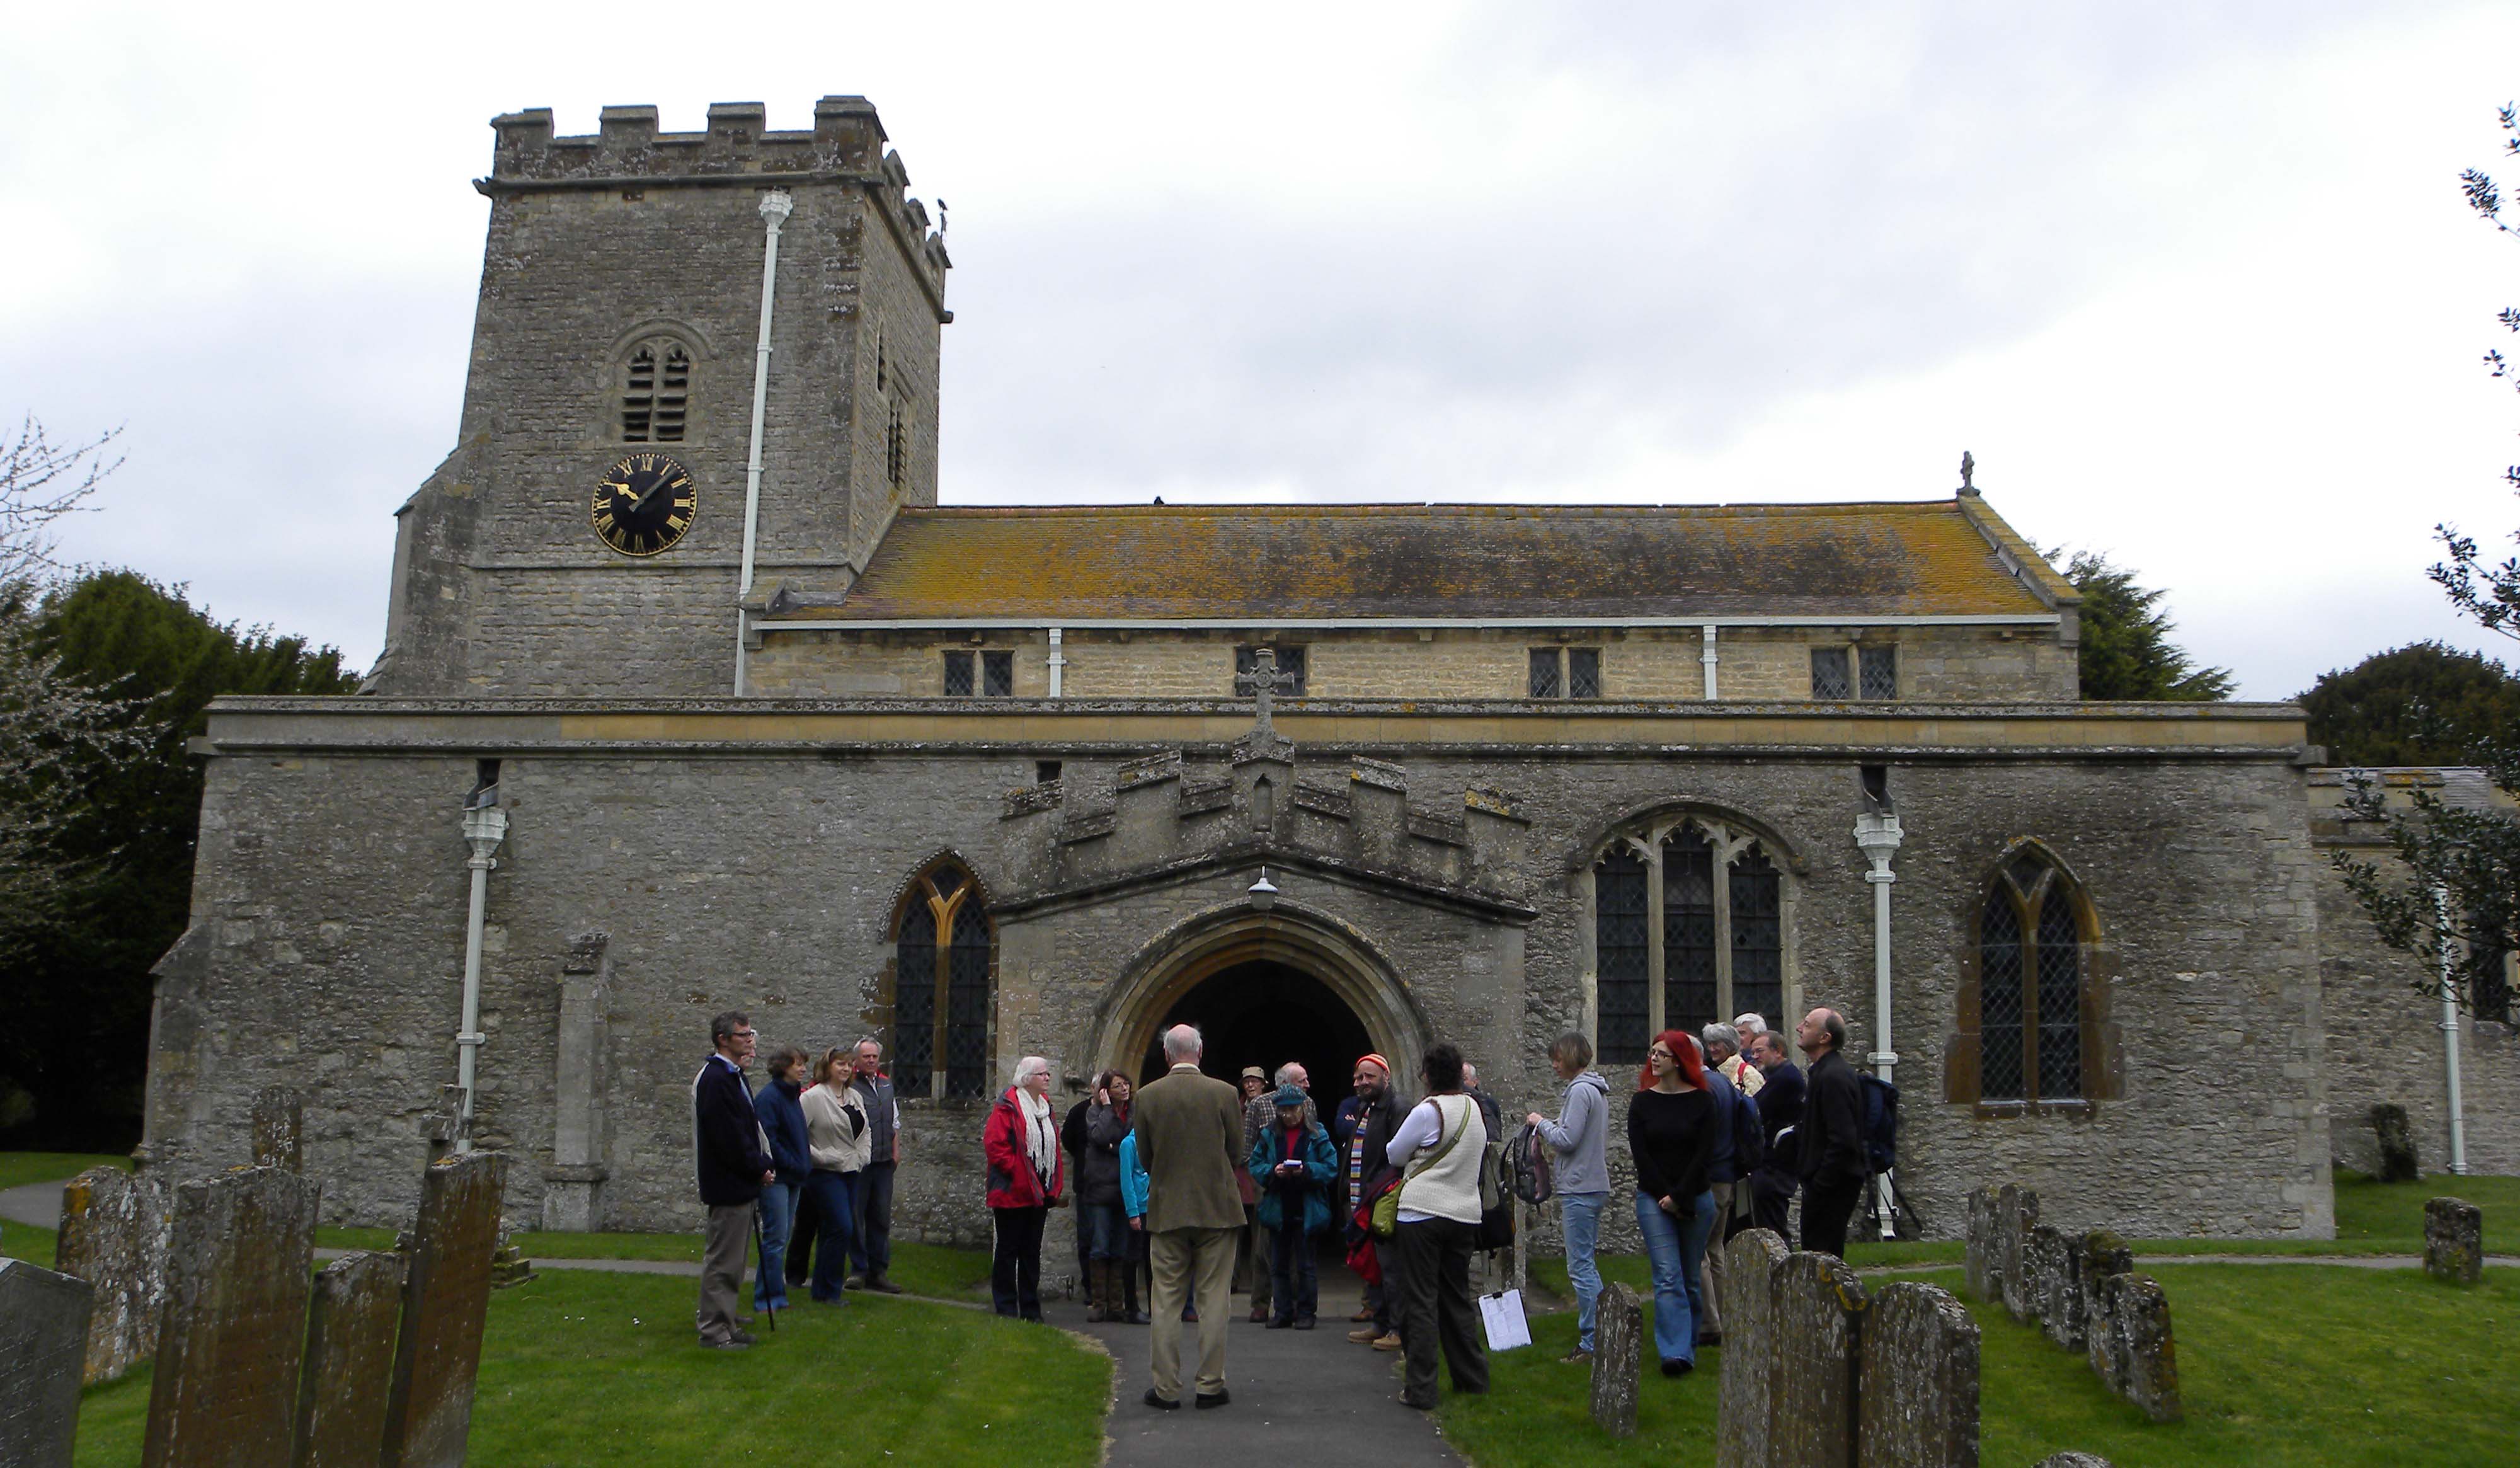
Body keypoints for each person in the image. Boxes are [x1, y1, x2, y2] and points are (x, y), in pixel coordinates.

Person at [1133, 1024, 1246, 1410]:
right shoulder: (1225, 1093)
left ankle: (1165, 1390)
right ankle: (1210, 1386)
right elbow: (1236, 1150)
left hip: (1167, 1208)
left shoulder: (1147, 1096)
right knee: (1214, 1299)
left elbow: (1144, 1156)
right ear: (1200, 1051)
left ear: (1167, 1055)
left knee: (1165, 1299)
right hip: (1217, 1207)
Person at [1385, 1041, 1489, 1411]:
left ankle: (1421, 1389)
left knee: (1421, 1302)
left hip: (1422, 1213)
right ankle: (1472, 1379)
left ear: (1427, 1075)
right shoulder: (1474, 1109)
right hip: (1463, 1214)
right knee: (1457, 1299)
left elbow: (1394, 1153)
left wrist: (1419, 1156)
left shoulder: (1428, 1111)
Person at [1629, 1029, 1717, 1376]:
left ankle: (1687, 1343)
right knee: (1667, 1275)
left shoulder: (1702, 1101)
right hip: (1653, 1197)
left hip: (1695, 1196)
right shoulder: (1643, 1102)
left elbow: (1703, 1154)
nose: (1654, 1059)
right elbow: (1643, 1156)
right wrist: (1665, 1196)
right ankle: (1674, 1354)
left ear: (1679, 1060)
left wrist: (1681, 1197)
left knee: (1690, 1276)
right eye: (1652, 1052)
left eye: (1661, 1054)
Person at [691, 1010, 774, 1350]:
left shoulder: (734, 1076)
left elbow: (746, 1130)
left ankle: (726, 1319)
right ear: (723, 1039)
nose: (750, 1039)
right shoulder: (716, 1079)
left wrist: (758, 1164)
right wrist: (758, 1166)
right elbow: (730, 1138)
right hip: (728, 1182)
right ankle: (713, 1330)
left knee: (736, 1261)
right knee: (723, 1261)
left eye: (751, 1033)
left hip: (739, 1181)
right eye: (743, 1034)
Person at [1526, 1031, 1610, 1364]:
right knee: (1586, 1263)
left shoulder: (1580, 1092)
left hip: (1581, 1186)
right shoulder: (1596, 1090)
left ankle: (1593, 1341)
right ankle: (1606, 1328)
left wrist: (1540, 1123)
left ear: (1571, 1056)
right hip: (1592, 1184)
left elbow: (1567, 1139)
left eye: (1558, 1059)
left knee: (1580, 1267)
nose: (1554, 1065)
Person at [1248, 1082, 1338, 1329]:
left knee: (1306, 1265)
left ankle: (1307, 1312)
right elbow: (1255, 1164)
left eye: (1293, 1110)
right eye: (1284, 1111)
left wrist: (1307, 1170)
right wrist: (1272, 1171)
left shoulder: (1317, 1134)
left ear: (1303, 1109)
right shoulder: (1269, 1135)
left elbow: (1331, 1166)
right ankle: (1283, 1311)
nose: (1288, 1115)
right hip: (1278, 1206)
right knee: (1278, 1264)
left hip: (1306, 1205)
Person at [982, 1055, 1065, 1321]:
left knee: (1031, 1251)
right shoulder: (1008, 1106)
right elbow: (995, 1145)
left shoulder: (1045, 1106)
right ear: (1028, 1078)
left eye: (1047, 1074)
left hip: (1037, 1191)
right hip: (1011, 1191)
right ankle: (1006, 1305)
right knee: (1008, 1249)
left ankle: (1030, 1307)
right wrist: (1016, 1172)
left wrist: (1050, 1182)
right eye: (1042, 1074)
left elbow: (1052, 1146)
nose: (1047, 1078)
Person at [1239, 1062, 1318, 1319]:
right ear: (1285, 1084)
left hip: (1300, 1183)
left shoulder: (1308, 1104)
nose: (1307, 1085)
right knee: (1264, 1244)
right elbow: (1246, 1147)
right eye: (1302, 1080)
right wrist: (1264, 1174)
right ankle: (1261, 1303)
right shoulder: (1261, 1105)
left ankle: (1294, 1303)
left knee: (1298, 1244)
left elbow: (1315, 1138)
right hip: (1268, 1184)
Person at [1795, 1007, 1868, 1258]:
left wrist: (1819, 1184)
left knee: (1822, 1257)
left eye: (1807, 1024)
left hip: (1833, 1186)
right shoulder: (1824, 1072)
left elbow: (1843, 1140)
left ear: (1825, 1037)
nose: (1799, 1028)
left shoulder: (1833, 1076)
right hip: (1826, 1182)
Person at [1344, 1053, 1406, 1350]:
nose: (1362, 1082)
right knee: (1374, 1269)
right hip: (1363, 1201)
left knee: (1391, 1268)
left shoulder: (1397, 1107)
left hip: (1383, 1200)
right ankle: (1380, 1324)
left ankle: (1397, 1329)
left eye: (1369, 1076)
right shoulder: (1364, 1108)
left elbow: (1399, 1158)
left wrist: (1380, 1191)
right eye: (1358, 1078)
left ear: (1386, 1076)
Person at [800, 1047, 870, 1304]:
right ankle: (830, 1288)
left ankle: (824, 1290)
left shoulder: (854, 1096)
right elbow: (796, 1136)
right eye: (840, 1064)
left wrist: (864, 1156)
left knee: (834, 1230)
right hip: (824, 1173)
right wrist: (823, 1156)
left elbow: (865, 1130)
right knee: (842, 1226)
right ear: (827, 1066)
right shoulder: (813, 1098)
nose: (846, 1069)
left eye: (849, 1065)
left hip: (852, 1171)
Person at [750, 1044, 811, 1315]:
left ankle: (776, 1293)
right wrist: (791, 1163)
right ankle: (767, 1296)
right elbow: (769, 1140)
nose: (803, 1069)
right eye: (798, 1063)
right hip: (777, 1177)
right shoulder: (770, 1098)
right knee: (774, 1238)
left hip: (794, 1176)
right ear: (783, 1066)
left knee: (782, 1236)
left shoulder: (792, 1097)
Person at [1694, 1034, 1746, 1346]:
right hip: (1726, 1176)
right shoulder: (1722, 1082)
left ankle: (1710, 1324)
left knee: (1698, 1250)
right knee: (1715, 1250)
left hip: (1711, 1177)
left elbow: (1706, 1139)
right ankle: (1725, 1315)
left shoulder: (1706, 1088)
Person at [848, 1037, 906, 1293]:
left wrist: (896, 1152)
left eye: (874, 1057)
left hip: (883, 1161)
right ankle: (858, 1271)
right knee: (856, 1216)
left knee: (880, 1217)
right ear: (856, 1061)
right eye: (866, 1057)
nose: (871, 1061)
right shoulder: (850, 1086)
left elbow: (894, 1122)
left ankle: (878, 1271)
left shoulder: (885, 1085)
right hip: (861, 1163)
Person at [1080, 1070, 1138, 1322]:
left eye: (1126, 1084)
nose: (1124, 1089)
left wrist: (1114, 1147)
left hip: (1125, 1188)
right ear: (1106, 1090)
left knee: (1120, 1248)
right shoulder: (1095, 1112)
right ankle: (1099, 1304)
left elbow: (1132, 1144)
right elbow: (1100, 1137)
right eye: (1118, 1085)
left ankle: (1117, 1305)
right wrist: (1106, 1109)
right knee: (1100, 1246)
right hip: (1101, 1188)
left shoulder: (1134, 1112)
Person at [1744, 1028, 1804, 1239]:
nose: (1755, 1056)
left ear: (1778, 1051)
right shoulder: (1780, 1076)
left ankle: (1779, 1268)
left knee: (1773, 1228)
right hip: (1774, 1164)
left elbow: (1755, 1108)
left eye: (1760, 1051)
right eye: (1753, 1051)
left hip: (1776, 1166)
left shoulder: (1785, 1078)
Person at [1705, 1021, 1765, 1100]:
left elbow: (1757, 1107)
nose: (1711, 1049)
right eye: (1709, 1044)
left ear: (1730, 1045)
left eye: (1715, 1044)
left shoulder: (1748, 1073)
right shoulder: (1710, 1071)